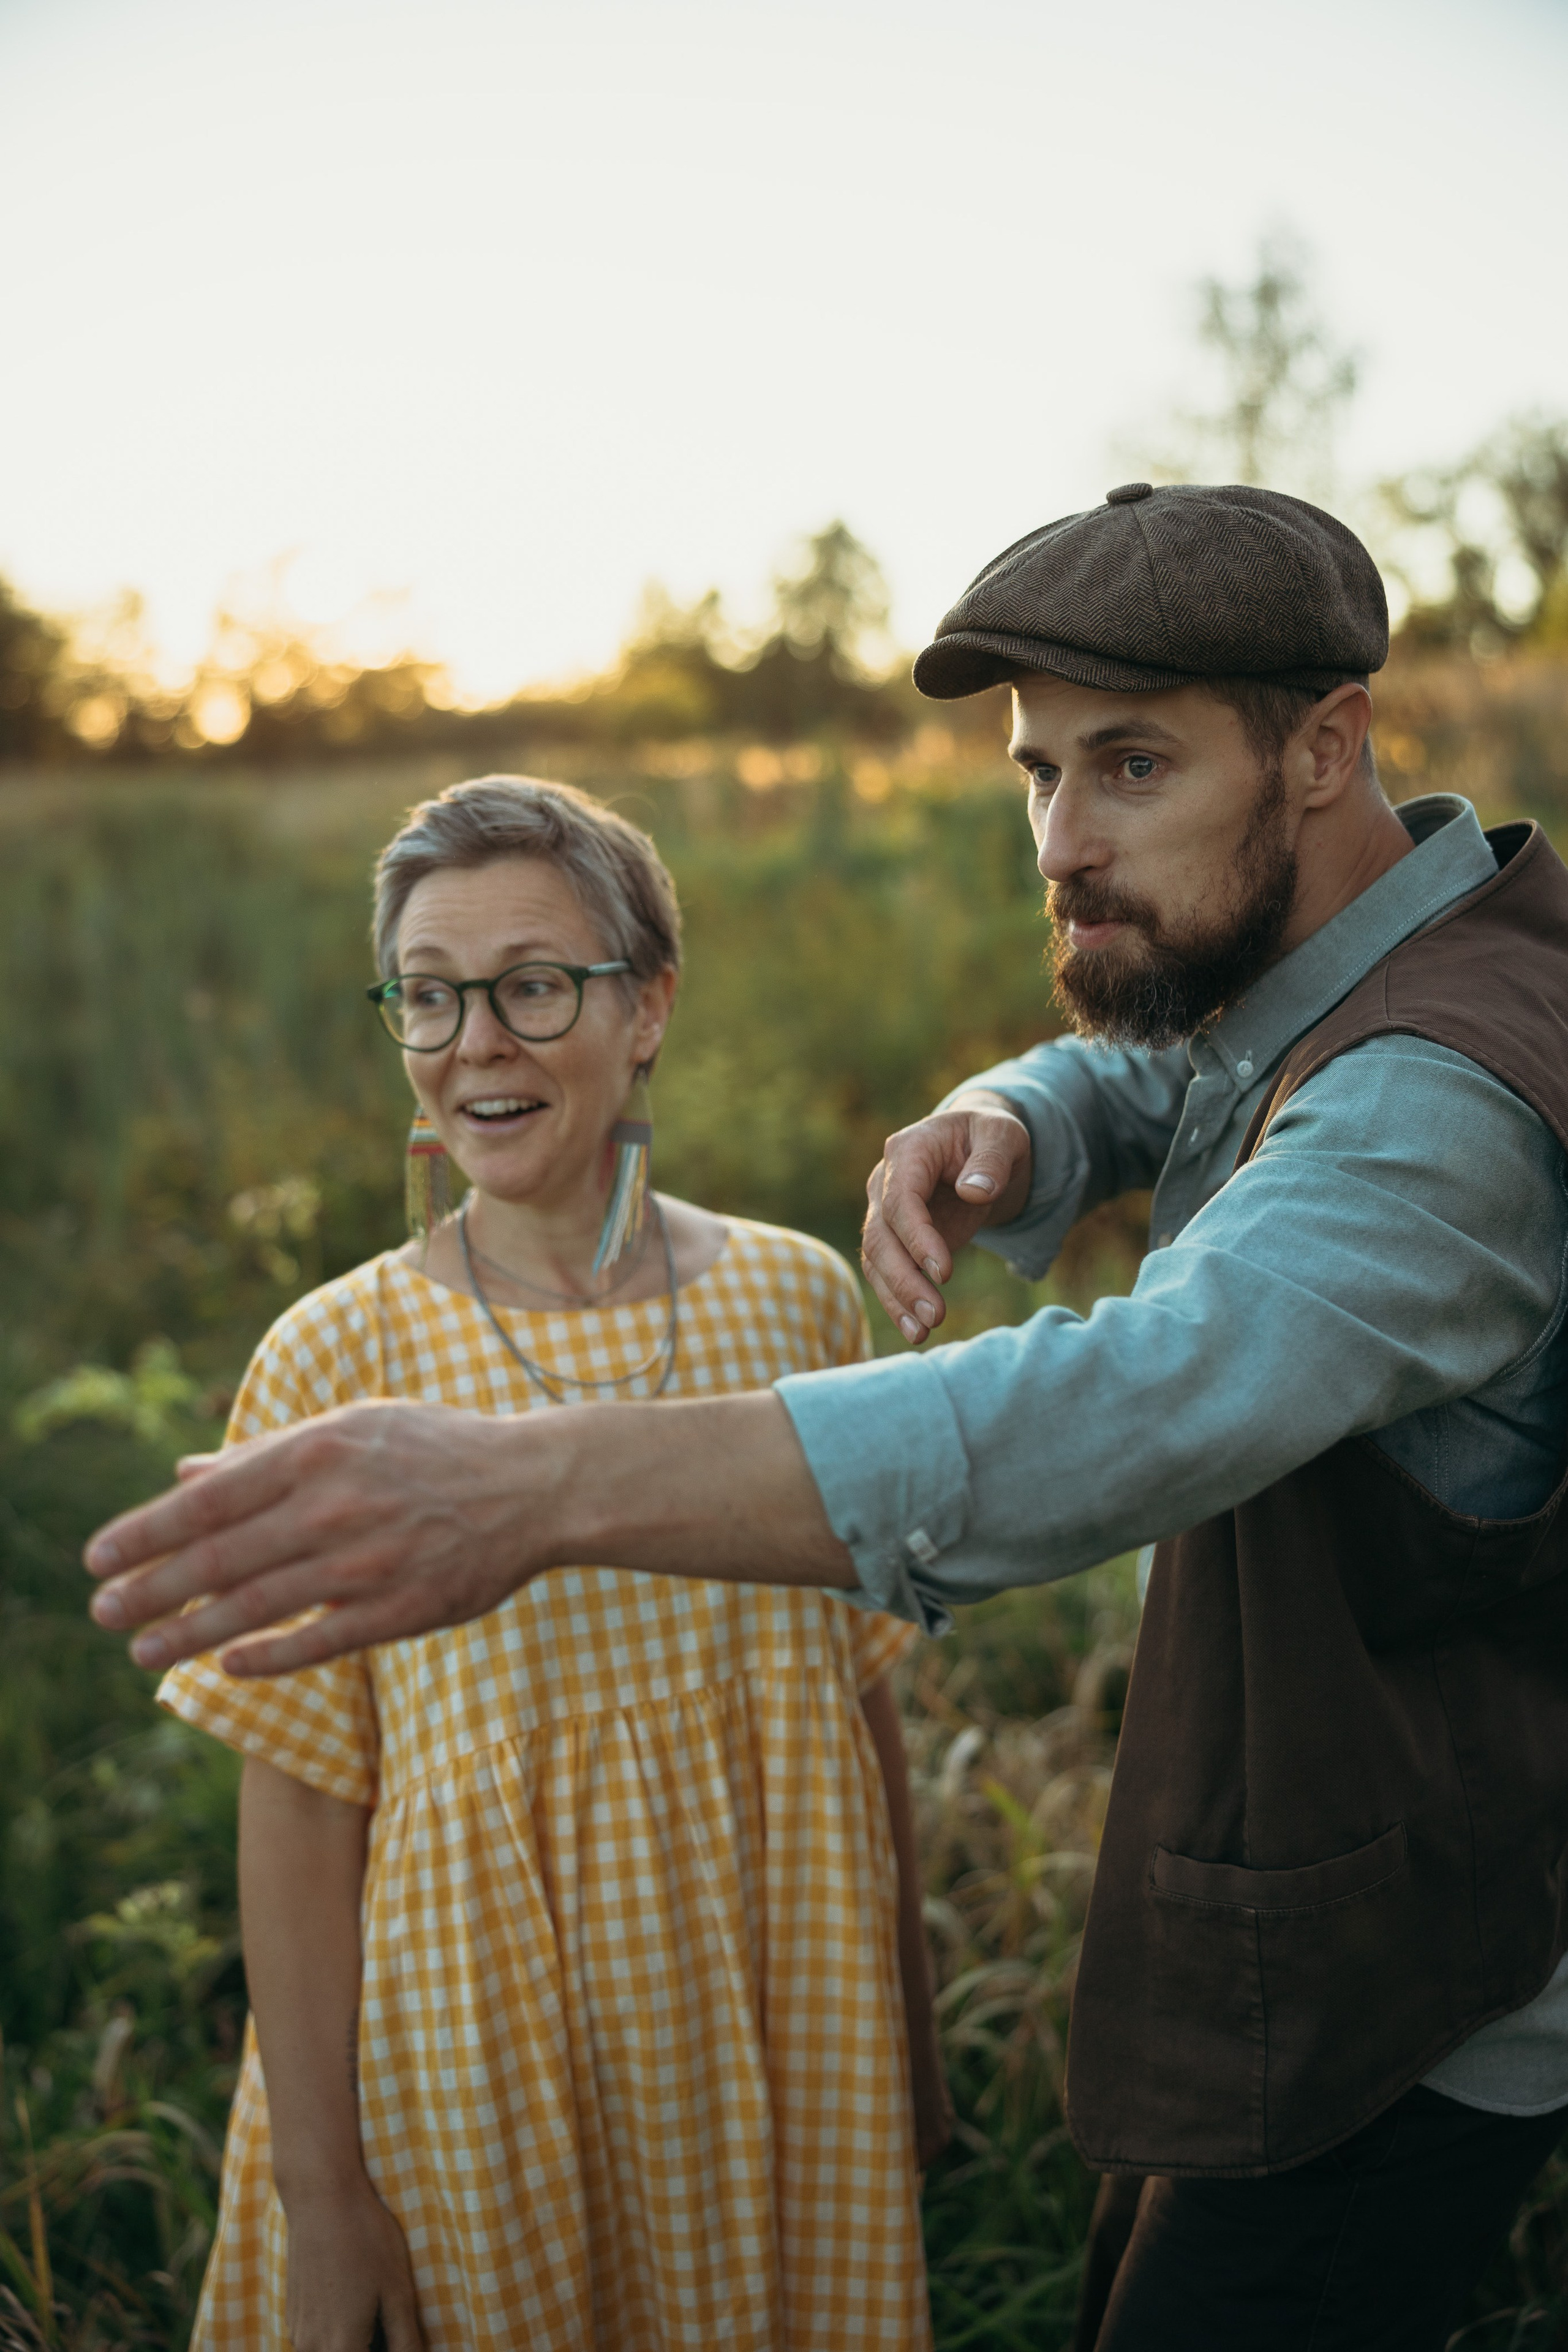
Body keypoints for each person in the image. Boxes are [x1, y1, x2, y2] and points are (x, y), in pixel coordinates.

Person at [91, 486, 1568, 2349]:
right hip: (1312, 1923)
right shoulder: (1348, 944)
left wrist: (535, 1487)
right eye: (1038, 776)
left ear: (1325, 748)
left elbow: (1130, 1398)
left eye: (1128, 769)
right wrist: (1021, 1118)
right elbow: (1184, 1059)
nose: (1061, 842)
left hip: (1420, 1987)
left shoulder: (1442, 1105)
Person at [154, 778, 942, 2352]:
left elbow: (860, 1721)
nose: (473, 1046)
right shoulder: (335, 1358)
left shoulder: (796, 1310)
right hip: (474, 2072)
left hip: (782, 2034)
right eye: (427, 998)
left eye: (529, 985)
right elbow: (303, 1803)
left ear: (644, 1007)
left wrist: (908, 2035)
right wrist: (327, 2198)